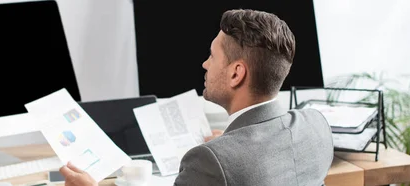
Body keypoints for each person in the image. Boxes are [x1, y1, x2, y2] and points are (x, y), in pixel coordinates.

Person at [59, 9, 333, 186]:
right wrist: (229, 142)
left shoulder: (210, 161)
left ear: (237, 73)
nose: (205, 64)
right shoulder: (317, 127)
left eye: (213, 56)